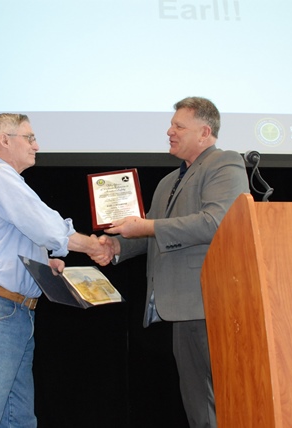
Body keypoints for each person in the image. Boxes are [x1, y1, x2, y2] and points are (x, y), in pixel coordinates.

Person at [0, 113, 112, 427]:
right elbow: (47, 227)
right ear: (4, 140)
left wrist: (46, 263)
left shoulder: (8, 183)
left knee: (17, 419)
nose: (37, 145)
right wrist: (92, 245)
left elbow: (21, 239)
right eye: (29, 138)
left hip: (12, 314)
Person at [99, 97, 249, 428]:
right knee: (198, 406)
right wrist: (115, 248)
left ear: (205, 132)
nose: (170, 131)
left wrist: (147, 227)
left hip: (210, 303)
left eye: (179, 126)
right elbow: (150, 232)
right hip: (181, 307)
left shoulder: (225, 164)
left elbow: (216, 222)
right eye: (172, 125)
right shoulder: (169, 181)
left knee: (222, 402)